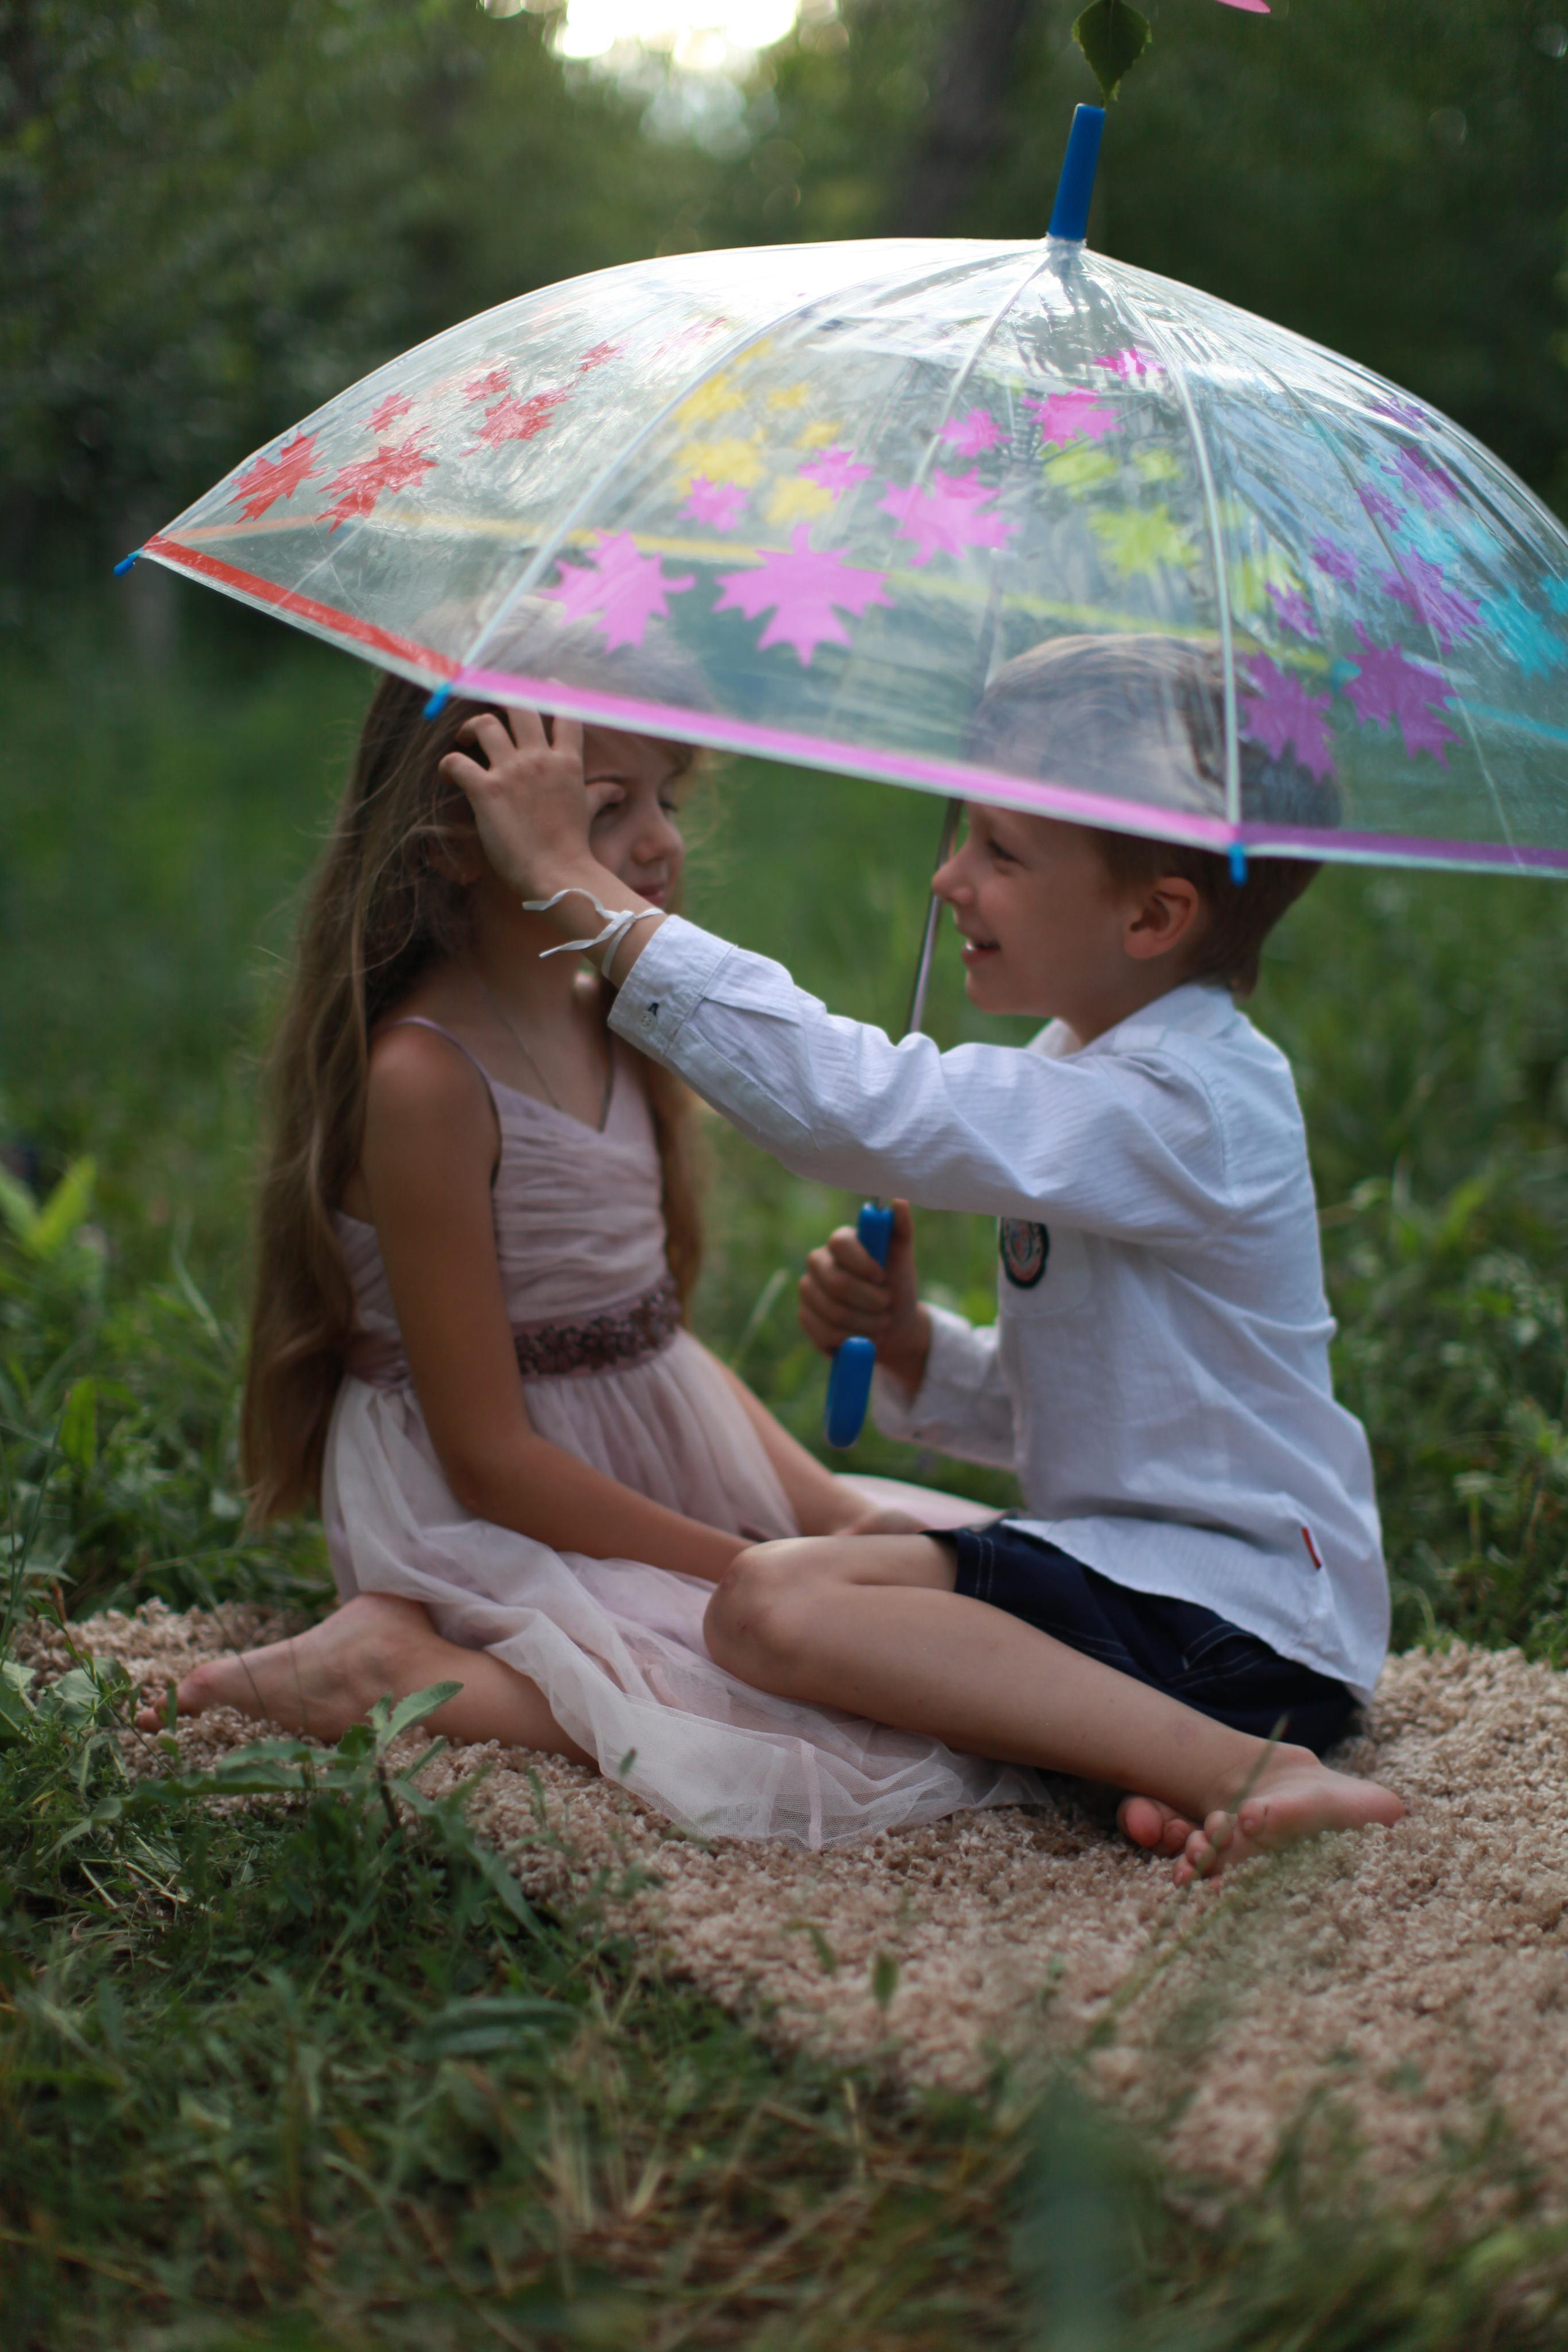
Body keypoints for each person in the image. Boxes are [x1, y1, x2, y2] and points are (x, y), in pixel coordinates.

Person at [442, 634, 1407, 1885]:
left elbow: (858, 1113)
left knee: (771, 1608)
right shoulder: (1092, 1064)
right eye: (959, 833)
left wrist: (582, 887)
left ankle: (1244, 1766)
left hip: (1239, 1621)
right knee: (787, 1587)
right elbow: (1119, 1404)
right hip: (1139, 1582)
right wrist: (916, 1350)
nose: (949, 878)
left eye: (999, 851)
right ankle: (1134, 1752)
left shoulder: (1185, 1101)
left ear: (1153, 915)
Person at [137, 671, 1037, 1849]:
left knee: (959, 1621)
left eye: (662, 797)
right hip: (494, 1503)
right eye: (603, 812)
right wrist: (742, 1566)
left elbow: (647, 1338)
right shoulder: (427, 1082)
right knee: (810, 1719)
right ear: (460, 844)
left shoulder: (602, 1005)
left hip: (643, 1458)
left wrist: (820, 1515)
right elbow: (489, 1459)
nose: (658, 842)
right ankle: (404, 1665)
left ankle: (691, 1607)